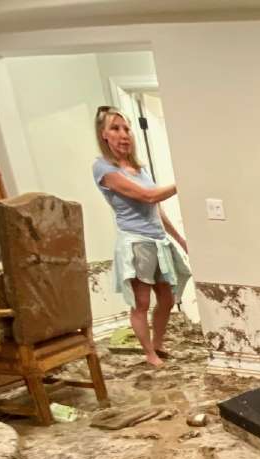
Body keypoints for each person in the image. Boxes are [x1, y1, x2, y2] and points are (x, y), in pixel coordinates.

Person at [93, 105, 191, 367]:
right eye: (115, 128)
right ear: (104, 134)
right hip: (136, 243)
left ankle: (158, 345)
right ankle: (148, 353)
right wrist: (186, 180)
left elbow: (155, 208)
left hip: (159, 241)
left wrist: (181, 241)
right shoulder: (104, 169)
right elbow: (148, 196)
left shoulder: (140, 168)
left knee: (167, 298)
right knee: (142, 302)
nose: (123, 134)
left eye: (126, 128)